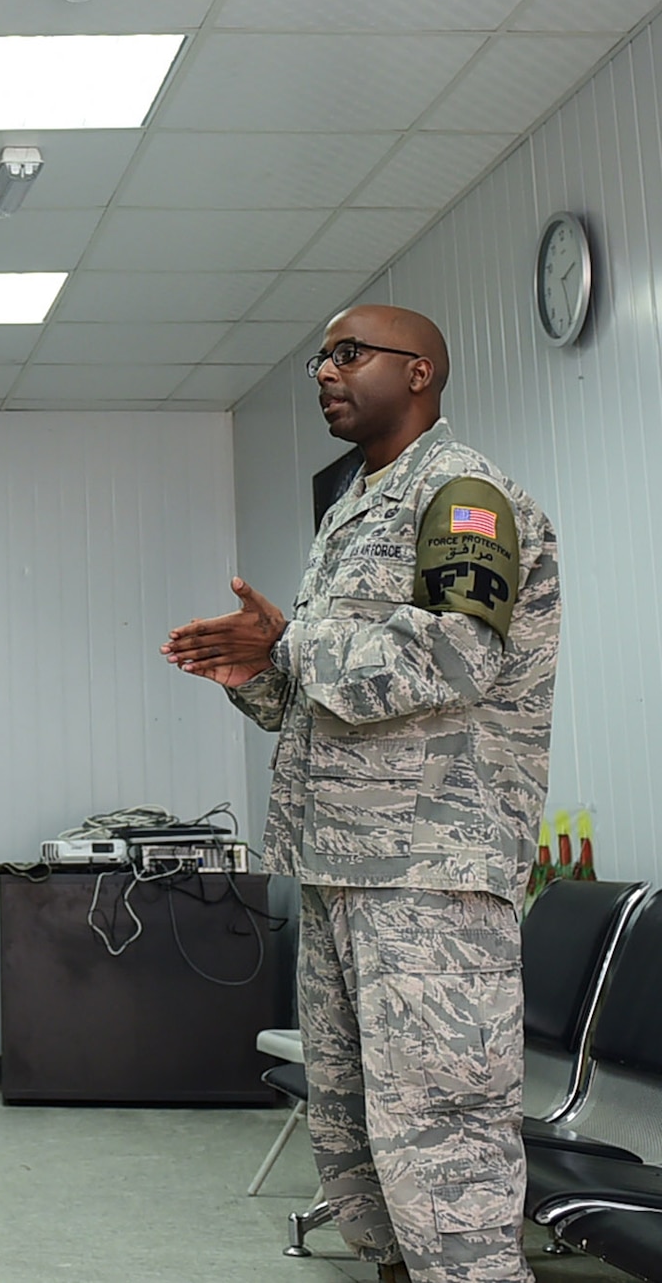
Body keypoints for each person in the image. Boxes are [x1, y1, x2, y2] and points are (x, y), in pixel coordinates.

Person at [162, 305, 560, 1283]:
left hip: (430, 870)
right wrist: (254, 677)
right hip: (340, 865)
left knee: (440, 1131)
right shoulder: (349, 509)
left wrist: (287, 642)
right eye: (320, 358)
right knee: (355, 1134)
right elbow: (324, 698)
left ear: (418, 370)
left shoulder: (462, 495)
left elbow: (450, 655)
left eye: (349, 353)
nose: (324, 373)